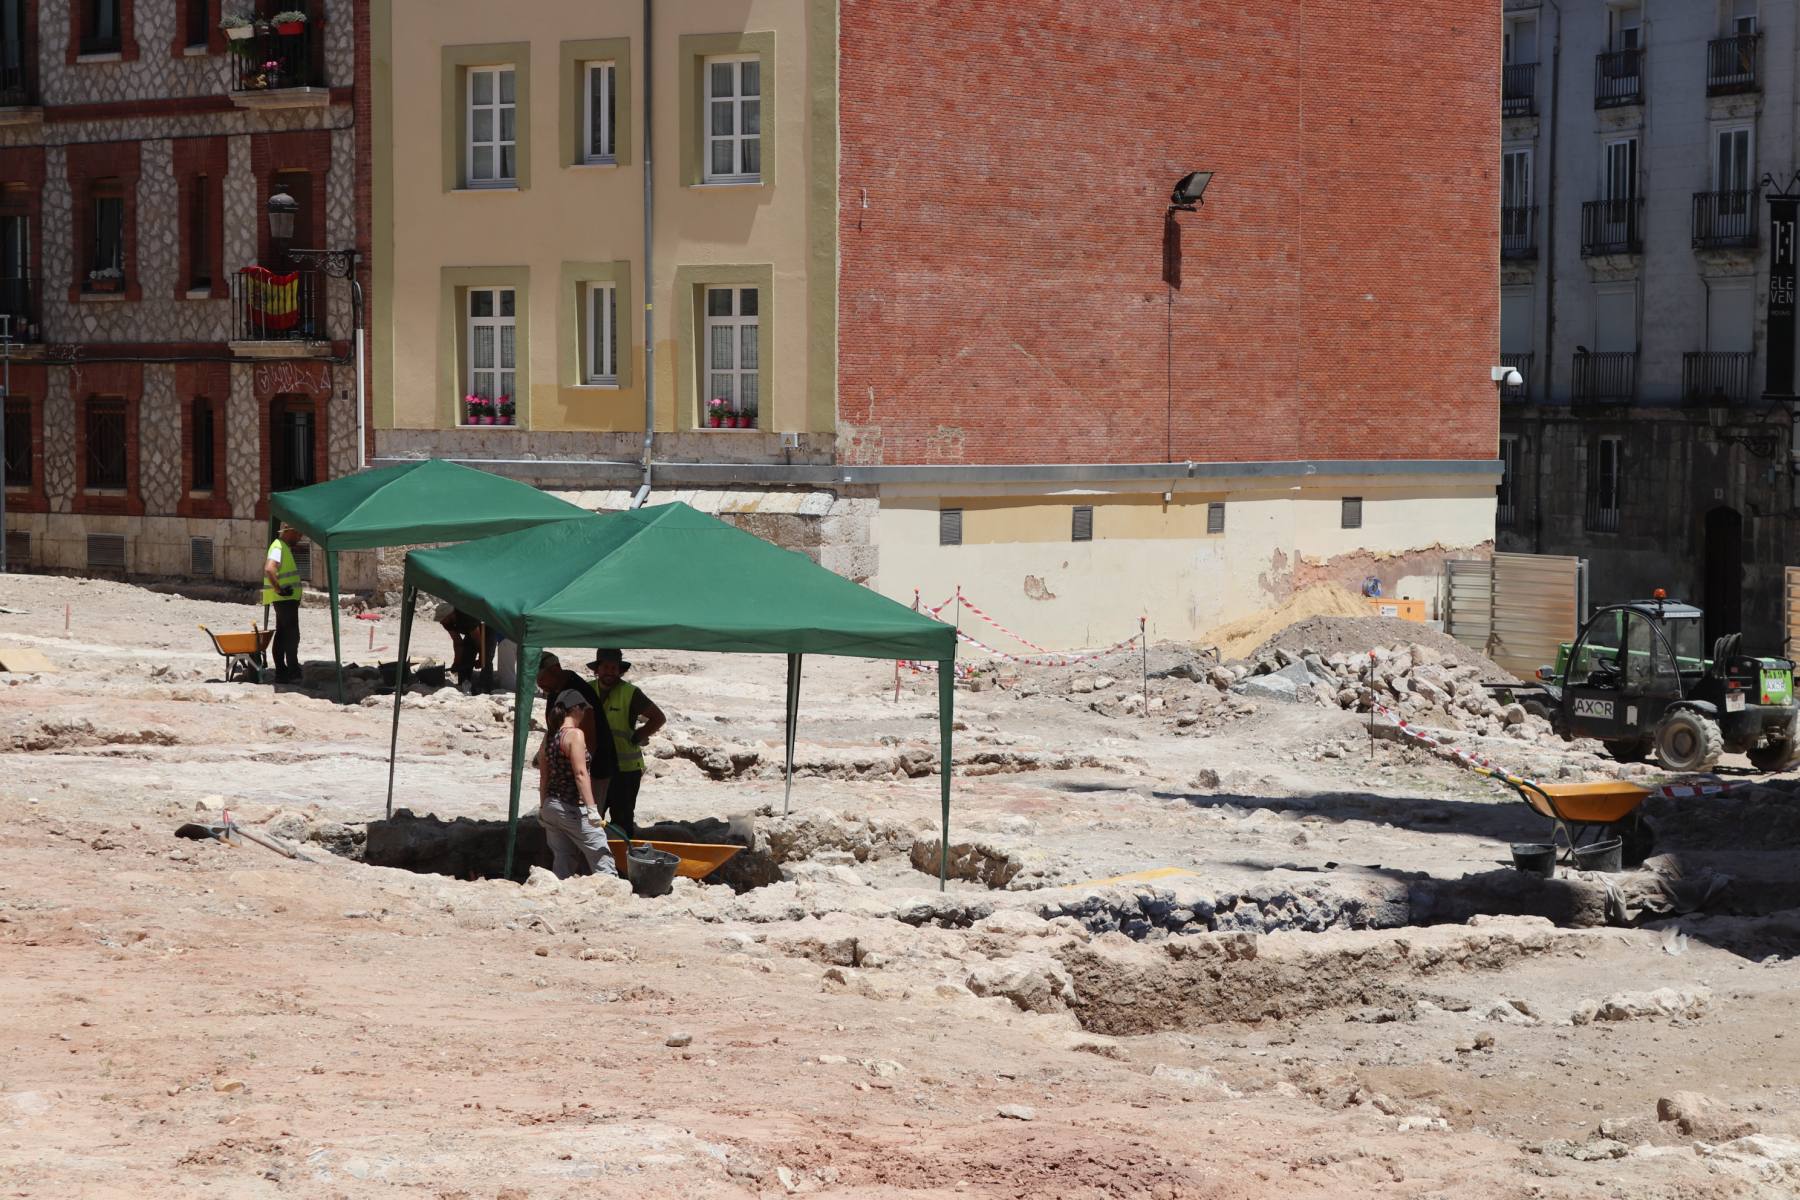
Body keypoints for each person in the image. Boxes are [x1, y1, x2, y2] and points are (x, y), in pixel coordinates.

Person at [536, 691, 616, 878]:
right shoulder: (575, 735)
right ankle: (614, 893)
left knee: (563, 858)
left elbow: (543, 776)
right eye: (583, 710)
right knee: (601, 854)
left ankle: (561, 897)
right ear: (575, 709)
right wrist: (592, 809)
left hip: (551, 807)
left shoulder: (549, 737)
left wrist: (543, 807)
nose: (584, 715)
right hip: (571, 808)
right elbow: (580, 774)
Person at [589, 648, 665, 839]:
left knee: (622, 821)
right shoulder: (587, 689)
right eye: (605, 667)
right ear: (597, 669)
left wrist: (638, 735)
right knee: (591, 818)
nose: (610, 671)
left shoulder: (631, 693)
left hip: (625, 770)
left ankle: (622, 864)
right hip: (595, 768)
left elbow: (658, 718)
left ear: (620, 671)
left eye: (614, 668)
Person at [261, 523, 305, 683]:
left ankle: (282, 671)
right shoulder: (278, 546)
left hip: (285, 599)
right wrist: (279, 589)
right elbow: (269, 568)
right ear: (289, 531)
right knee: (292, 634)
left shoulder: (282, 546)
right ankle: (292, 670)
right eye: (299, 533)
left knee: (282, 634)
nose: (301, 537)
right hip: (284, 599)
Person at [435, 602, 495, 692]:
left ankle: (485, 687)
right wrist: (457, 662)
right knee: (465, 657)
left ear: (450, 615)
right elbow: (457, 641)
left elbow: (478, 641)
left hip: (488, 629)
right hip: (472, 632)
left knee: (486, 660)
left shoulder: (466, 616)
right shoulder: (446, 622)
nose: (441, 622)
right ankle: (464, 683)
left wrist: (481, 658)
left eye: (442, 619)